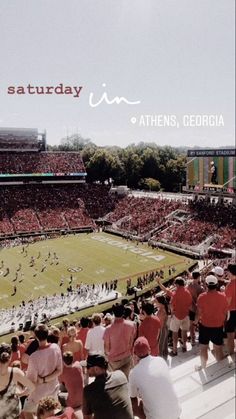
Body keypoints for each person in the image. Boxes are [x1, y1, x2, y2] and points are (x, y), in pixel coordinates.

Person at [129, 337, 181, 419]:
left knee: (134, 402)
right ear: (149, 350)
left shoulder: (133, 373)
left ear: (134, 354)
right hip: (176, 413)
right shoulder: (161, 360)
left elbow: (132, 397)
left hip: (156, 417)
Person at [23, 324, 63, 419]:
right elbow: (59, 371)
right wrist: (44, 379)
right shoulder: (56, 347)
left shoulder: (34, 357)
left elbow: (31, 383)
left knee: (26, 410)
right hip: (53, 389)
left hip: (40, 394)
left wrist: (22, 392)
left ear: (36, 337)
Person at [83, 354, 133, 419]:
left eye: (88, 367)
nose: (86, 369)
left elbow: (87, 417)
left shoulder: (89, 390)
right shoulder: (121, 375)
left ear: (96, 369)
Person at [196, 275, 228, 369]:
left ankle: (203, 366)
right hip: (218, 326)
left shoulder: (201, 297)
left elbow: (199, 313)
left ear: (206, 285)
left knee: (203, 348)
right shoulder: (223, 296)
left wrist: (195, 322)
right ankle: (221, 368)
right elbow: (225, 312)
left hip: (205, 326)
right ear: (216, 284)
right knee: (218, 348)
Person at [157, 276, 192, 356]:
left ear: (177, 284)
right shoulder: (187, 292)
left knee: (175, 333)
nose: (175, 286)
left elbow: (168, 296)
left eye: (175, 284)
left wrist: (159, 283)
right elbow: (190, 304)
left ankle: (175, 350)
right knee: (184, 332)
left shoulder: (175, 293)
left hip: (177, 316)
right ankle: (184, 346)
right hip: (186, 315)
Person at [0, 343, 35, 419]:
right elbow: (32, 387)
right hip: (14, 411)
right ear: (10, 356)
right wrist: (21, 394)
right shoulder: (15, 372)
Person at [103, 303, 135, 378]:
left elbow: (106, 349)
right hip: (126, 357)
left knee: (117, 384)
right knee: (126, 381)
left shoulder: (108, 329)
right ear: (123, 311)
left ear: (113, 313)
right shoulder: (131, 325)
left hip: (114, 361)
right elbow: (131, 343)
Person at [59, 352, 83, 416]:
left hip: (71, 404)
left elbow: (60, 382)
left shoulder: (63, 372)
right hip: (83, 400)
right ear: (73, 358)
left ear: (63, 361)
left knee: (58, 394)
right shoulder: (78, 365)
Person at [187, 271, 204, 345]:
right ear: (198, 277)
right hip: (197, 308)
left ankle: (192, 340)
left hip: (190, 307)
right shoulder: (200, 288)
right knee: (200, 324)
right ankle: (201, 338)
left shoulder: (189, 285)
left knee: (191, 325)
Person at [224, 264, 236, 354]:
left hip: (231, 313)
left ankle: (231, 353)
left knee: (230, 334)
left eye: (227, 271)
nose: (226, 272)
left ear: (231, 272)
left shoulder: (230, 285)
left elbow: (227, 303)